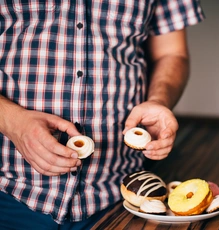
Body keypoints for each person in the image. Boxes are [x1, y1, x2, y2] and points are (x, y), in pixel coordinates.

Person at [0, 0, 205, 229]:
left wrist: (158, 100)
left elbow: (172, 53)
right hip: (9, 194)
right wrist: (12, 121)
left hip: (121, 199)